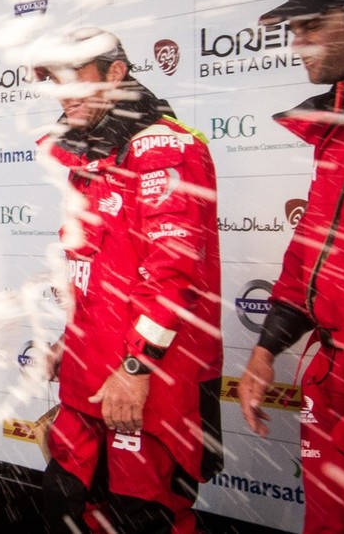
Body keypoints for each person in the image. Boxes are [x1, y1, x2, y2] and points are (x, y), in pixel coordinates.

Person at [33, 27, 223, 533]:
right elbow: (100, 270)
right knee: (70, 506)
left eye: (77, 79)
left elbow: (173, 275)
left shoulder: (163, 147)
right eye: (55, 80)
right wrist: (67, 340)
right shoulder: (89, 151)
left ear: (116, 74)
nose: (63, 93)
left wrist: (137, 369)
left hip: (147, 387)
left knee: (144, 518)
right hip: (88, 381)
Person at [239, 0, 344, 533]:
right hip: (335, 389)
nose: (295, 42)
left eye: (312, 25)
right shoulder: (341, 119)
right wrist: (265, 349)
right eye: (292, 29)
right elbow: (312, 249)